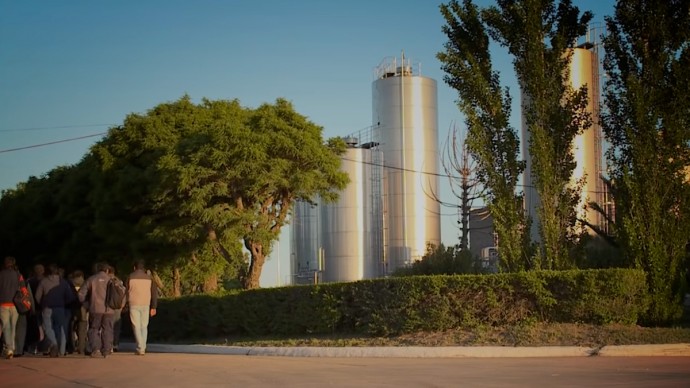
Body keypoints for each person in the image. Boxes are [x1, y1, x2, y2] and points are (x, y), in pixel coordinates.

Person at [34, 264, 75, 357]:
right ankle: (62, 350)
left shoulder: (43, 281)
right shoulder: (63, 282)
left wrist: (43, 303)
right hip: (60, 308)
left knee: (47, 327)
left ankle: (54, 343)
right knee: (61, 329)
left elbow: (37, 296)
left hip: (47, 308)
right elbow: (70, 297)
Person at [78, 262, 114, 358]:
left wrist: (86, 303)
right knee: (108, 329)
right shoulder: (112, 280)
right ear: (107, 270)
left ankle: (96, 349)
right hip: (109, 309)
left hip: (95, 308)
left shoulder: (91, 279)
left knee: (94, 328)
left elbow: (81, 294)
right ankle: (106, 350)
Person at [126, 260, 157, 356]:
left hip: (134, 303)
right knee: (144, 326)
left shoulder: (130, 277)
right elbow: (154, 293)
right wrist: (154, 307)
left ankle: (140, 347)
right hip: (146, 304)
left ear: (134, 267)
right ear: (143, 268)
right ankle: (143, 346)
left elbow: (126, 292)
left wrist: (125, 304)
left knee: (136, 326)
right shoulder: (149, 278)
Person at [0, 256, 28, 359]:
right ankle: (12, 347)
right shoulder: (18, 275)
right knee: (13, 326)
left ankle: (9, 348)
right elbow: (24, 290)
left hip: (3, 304)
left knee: (6, 326)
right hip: (15, 304)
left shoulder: (1, 274)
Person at [68, 270, 88, 355]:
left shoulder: (69, 284)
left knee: (70, 330)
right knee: (82, 331)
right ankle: (81, 348)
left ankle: (71, 347)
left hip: (72, 309)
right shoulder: (86, 284)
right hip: (83, 310)